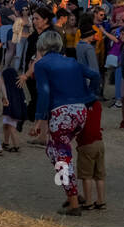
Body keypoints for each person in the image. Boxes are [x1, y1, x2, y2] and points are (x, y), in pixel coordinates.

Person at [28, 30, 102, 216]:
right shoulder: (71, 61)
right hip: (80, 111)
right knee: (60, 152)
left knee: (59, 156)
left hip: (61, 112)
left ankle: (74, 200)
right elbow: (95, 76)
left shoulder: (42, 64)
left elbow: (44, 92)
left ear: (42, 45)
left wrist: (39, 119)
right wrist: (89, 96)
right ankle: (72, 195)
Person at [76, 98, 106, 211]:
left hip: (86, 143)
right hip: (99, 142)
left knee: (86, 176)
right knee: (99, 175)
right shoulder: (97, 104)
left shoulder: (79, 106)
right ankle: (101, 200)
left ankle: (88, 202)